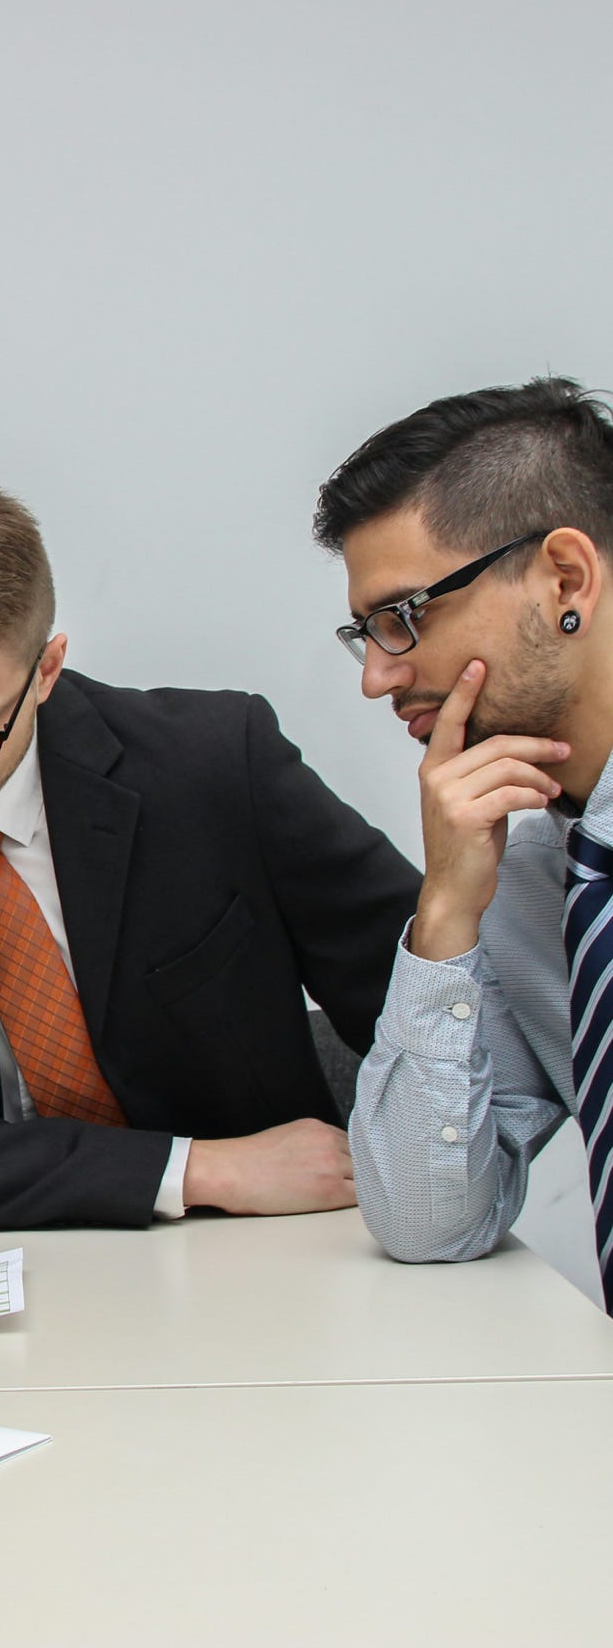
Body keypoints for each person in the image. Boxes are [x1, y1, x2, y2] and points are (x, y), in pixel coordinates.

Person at [0, 469, 419, 1231]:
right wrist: (200, 1168)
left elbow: (436, 1021)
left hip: (259, 1256)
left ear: (46, 670)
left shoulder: (217, 765)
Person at [315, 377, 613, 1309]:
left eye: (405, 616)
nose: (377, 676)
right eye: (364, 633)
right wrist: (444, 914)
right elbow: (426, 1221)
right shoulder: (538, 886)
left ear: (565, 580)